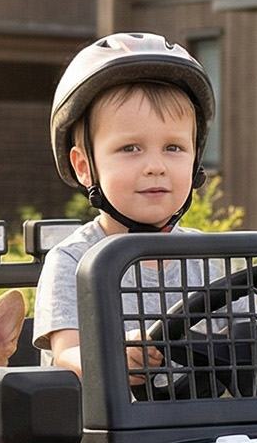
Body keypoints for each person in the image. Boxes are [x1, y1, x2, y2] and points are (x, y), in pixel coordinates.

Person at [33, 33, 217, 382]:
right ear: (84, 165)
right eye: (131, 148)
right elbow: (66, 353)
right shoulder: (74, 260)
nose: (156, 166)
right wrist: (111, 356)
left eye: (174, 148)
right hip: (104, 434)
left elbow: (254, 353)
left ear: (195, 161)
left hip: (212, 433)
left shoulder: (210, 259)